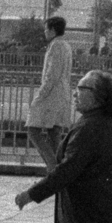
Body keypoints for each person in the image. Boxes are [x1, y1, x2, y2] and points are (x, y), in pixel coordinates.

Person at [14, 70, 112, 223]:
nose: (75, 94)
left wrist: (31, 194)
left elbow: (67, 170)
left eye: (80, 89)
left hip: (87, 221)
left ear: (97, 95)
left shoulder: (88, 127)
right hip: (111, 217)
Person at [27, 16, 74, 170]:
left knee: (33, 130)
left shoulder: (55, 46)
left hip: (51, 95)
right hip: (62, 94)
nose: (45, 32)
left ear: (53, 30)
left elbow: (51, 75)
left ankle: (53, 167)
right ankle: (58, 172)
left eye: (46, 29)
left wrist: (40, 95)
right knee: (54, 133)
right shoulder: (66, 46)